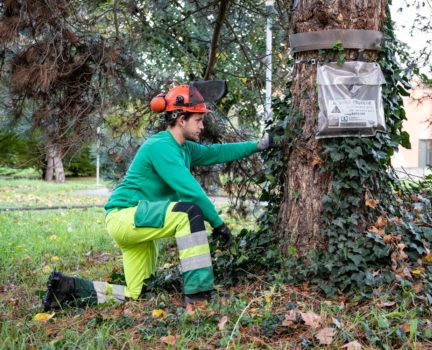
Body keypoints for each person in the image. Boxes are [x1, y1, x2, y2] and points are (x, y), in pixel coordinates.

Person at [42, 82, 274, 310]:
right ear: (182, 119)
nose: (202, 126)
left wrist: (258, 145)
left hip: (138, 224)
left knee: (137, 293)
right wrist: (218, 223)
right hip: (125, 217)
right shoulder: (161, 146)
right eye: (199, 120)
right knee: (189, 212)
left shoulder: (185, 148)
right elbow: (191, 191)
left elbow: (217, 152)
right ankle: (198, 297)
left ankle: (66, 290)